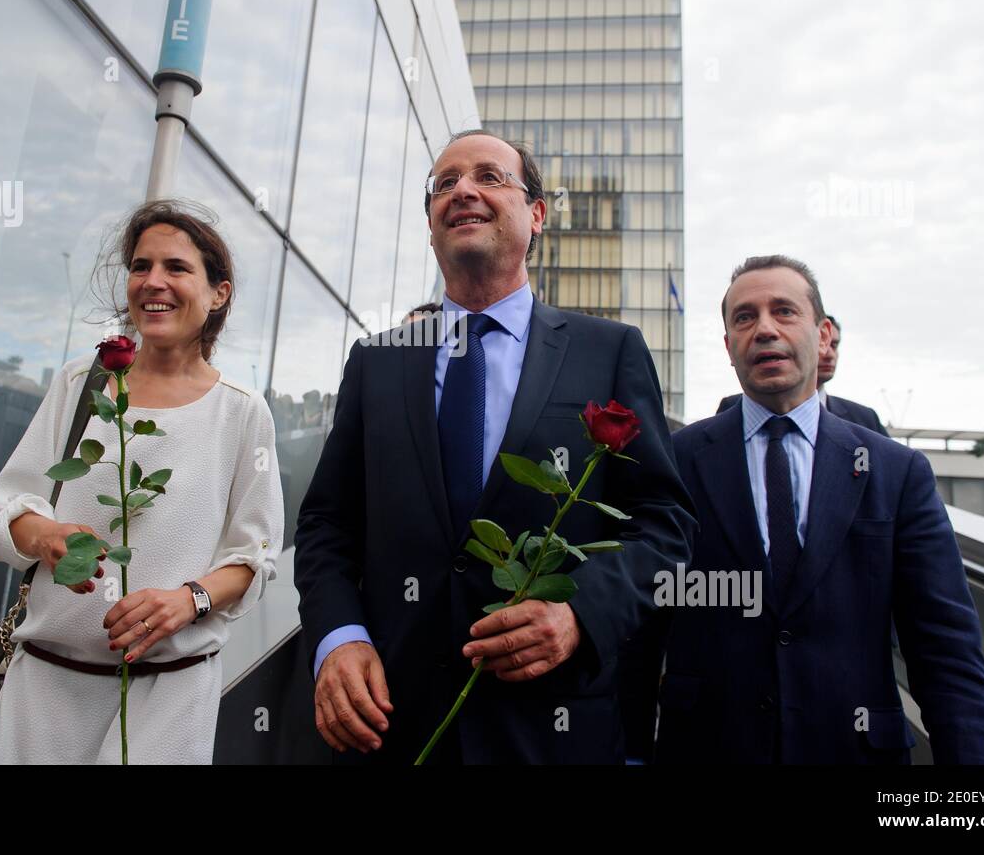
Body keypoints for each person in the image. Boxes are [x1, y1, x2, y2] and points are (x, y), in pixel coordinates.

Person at [293, 129, 695, 764]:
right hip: (391, 724)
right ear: (431, 225)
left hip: (548, 727)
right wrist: (338, 637)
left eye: (488, 177)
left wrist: (579, 615)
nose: (463, 192)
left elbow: (665, 524)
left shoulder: (610, 350)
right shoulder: (376, 361)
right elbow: (326, 523)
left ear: (536, 214)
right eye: (445, 184)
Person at [633, 255, 984, 763]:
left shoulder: (896, 472)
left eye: (784, 312)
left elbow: (945, 648)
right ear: (728, 347)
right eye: (744, 317)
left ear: (823, 335)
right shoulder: (677, 460)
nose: (763, 329)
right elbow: (642, 623)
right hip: (707, 748)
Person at [0, 200, 284, 764]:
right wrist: (44, 536)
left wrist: (188, 600)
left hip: (167, 696)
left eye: (176, 267)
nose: (153, 282)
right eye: (141, 267)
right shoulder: (81, 383)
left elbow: (253, 556)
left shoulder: (242, 413)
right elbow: (10, 513)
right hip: (44, 691)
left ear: (219, 294)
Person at [718, 315, 887, 435]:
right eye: (822, 343)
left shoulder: (864, 419)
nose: (829, 354)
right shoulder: (732, 407)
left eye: (834, 345)